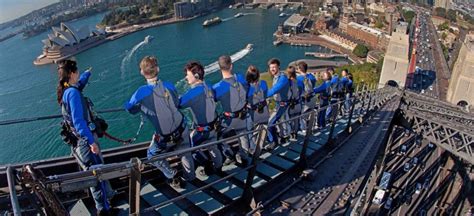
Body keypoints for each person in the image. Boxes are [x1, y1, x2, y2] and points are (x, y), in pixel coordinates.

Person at [57, 60, 116, 215]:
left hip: (78, 141)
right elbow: (79, 122)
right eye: (77, 72)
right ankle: (103, 210)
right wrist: (91, 142)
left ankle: (107, 199)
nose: (78, 74)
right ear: (71, 74)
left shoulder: (67, 90)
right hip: (85, 142)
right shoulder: (74, 94)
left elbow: (79, 84)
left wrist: (87, 74)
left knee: (96, 174)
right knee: (96, 176)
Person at [125, 56, 195, 187]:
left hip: (166, 136)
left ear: (142, 72)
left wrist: (140, 107)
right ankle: (191, 177)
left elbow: (130, 108)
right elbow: (176, 102)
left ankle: (172, 175)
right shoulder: (169, 85)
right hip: (182, 126)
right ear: (158, 69)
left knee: (152, 155)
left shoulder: (141, 92)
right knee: (185, 152)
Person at [178, 61, 223, 176]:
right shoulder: (209, 86)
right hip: (214, 127)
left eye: (188, 75)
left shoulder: (194, 92)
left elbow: (179, 104)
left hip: (203, 131)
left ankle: (206, 163)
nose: (186, 77)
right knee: (213, 148)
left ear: (196, 76)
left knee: (189, 147)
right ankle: (218, 169)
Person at [212, 55, 252, 165]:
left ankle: (229, 154)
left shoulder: (218, 87)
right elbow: (248, 88)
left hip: (229, 119)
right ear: (231, 66)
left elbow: (213, 100)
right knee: (243, 136)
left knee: (217, 136)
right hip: (243, 115)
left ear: (219, 68)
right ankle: (244, 158)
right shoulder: (241, 78)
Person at [266, 58, 291, 149]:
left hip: (282, 105)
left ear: (278, 67)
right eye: (271, 67)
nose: (272, 69)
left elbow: (274, 90)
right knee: (280, 122)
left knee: (270, 123)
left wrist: (262, 96)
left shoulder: (282, 78)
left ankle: (274, 142)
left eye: (274, 67)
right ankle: (282, 138)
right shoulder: (277, 77)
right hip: (279, 104)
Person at [245, 65, 269, 153]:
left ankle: (253, 150)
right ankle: (261, 146)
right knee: (262, 130)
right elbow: (266, 95)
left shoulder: (246, 88)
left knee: (249, 132)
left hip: (253, 114)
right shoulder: (264, 83)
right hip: (264, 112)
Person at [296, 61, 316, 134]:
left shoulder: (299, 79)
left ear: (300, 69)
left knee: (302, 116)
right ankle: (311, 127)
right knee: (311, 114)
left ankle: (304, 131)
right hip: (313, 97)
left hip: (305, 99)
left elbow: (298, 90)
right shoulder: (311, 76)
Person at [286, 66, 303, 141]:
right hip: (298, 103)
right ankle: (295, 133)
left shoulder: (288, 82)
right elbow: (301, 91)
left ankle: (291, 134)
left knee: (290, 120)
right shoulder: (299, 81)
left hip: (291, 105)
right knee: (296, 120)